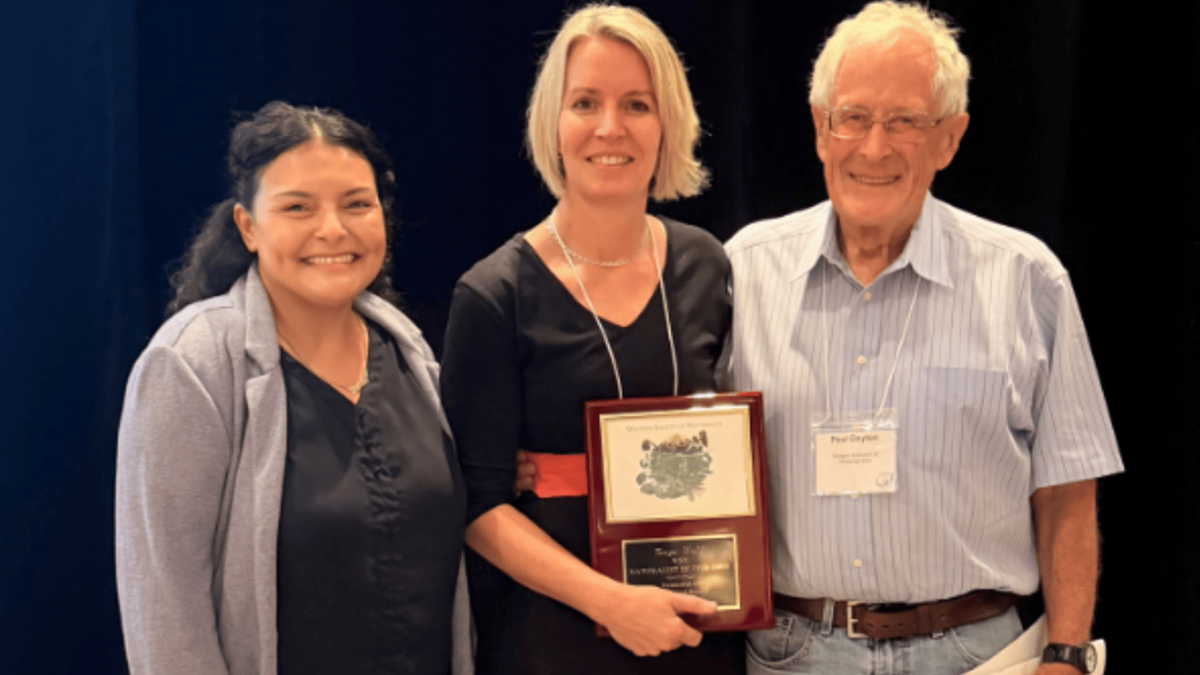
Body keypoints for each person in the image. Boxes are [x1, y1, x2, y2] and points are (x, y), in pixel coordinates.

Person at [724, 3, 1123, 674]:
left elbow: (1067, 491)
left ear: (950, 138)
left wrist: (1067, 654)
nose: (874, 146)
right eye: (852, 117)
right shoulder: (742, 272)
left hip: (980, 653)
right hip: (795, 652)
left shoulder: (1028, 278)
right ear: (821, 130)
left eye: (905, 121)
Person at [115, 101, 471, 675]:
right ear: (248, 227)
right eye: (297, 207)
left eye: (357, 204)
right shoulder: (192, 363)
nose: (332, 228)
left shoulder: (406, 346)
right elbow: (165, 611)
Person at [439, 5, 743, 674]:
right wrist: (611, 602)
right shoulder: (493, 294)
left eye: (637, 103)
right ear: (553, 123)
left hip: (698, 628)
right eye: (586, 102)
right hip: (555, 636)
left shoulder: (709, 264)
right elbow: (477, 506)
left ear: (668, 125)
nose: (611, 127)